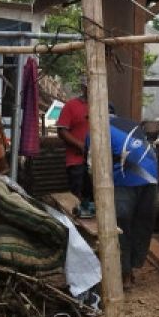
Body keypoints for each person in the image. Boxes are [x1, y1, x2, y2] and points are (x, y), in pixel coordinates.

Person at [107, 114, 159, 289]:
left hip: (125, 182)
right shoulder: (130, 125)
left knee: (121, 227)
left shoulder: (97, 130)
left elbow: (91, 166)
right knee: (142, 225)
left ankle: (125, 274)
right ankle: (133, 267)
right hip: (151, 178)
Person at [56, 79, 94, 218]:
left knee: (95, 195)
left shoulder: (103, 106)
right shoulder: (71, 106)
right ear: (83, 88)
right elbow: (62, 131)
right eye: (89, 86)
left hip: (96, 160)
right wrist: (80, 145)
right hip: (77, 160)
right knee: (77, 194)